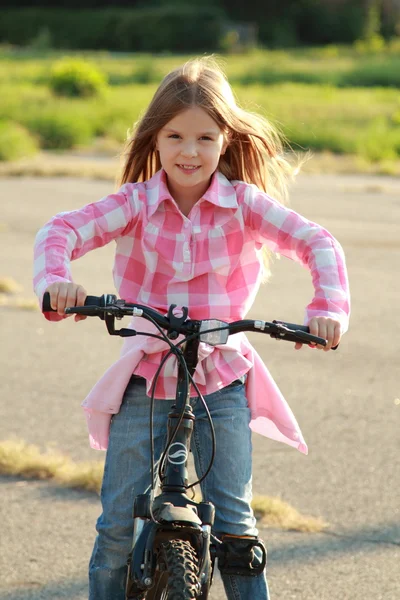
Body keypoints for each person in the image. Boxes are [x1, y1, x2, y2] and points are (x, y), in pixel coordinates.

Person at [33, 57, 350, 600]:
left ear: (226, 140)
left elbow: (317, 242)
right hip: (145, 377)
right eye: (175, 135)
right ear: (154, 137)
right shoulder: (135, 204)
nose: (190, 151)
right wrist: (58, 283)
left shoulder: (245, 206)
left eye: (206, 137)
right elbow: (61, 230)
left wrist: (328, 308)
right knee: (114, 527)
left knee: (237, 527)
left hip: (222, 379)